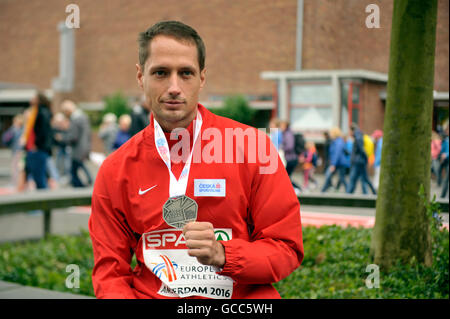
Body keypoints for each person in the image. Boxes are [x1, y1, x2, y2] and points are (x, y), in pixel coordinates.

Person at [89, 20, 303, 299]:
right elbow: (110, 273)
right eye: (161, 73)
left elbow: (286, 248)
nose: (174, 87)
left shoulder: (253, 148)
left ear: (202, 78)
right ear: (141, 77)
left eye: (186, 73)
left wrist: (223, 253)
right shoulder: (116, 169)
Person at [20, 92, 53, 189]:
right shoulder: (36, 111)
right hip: (34, 148)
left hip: (38, 148)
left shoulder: (42, 112)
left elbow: (42, 131)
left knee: (39, 176)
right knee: (37, 175)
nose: (31, 100)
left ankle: (44, 200)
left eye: (34, 98)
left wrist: (36, 145)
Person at [58, 100, 92, 188]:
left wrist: (62, 138)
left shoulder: (76, 119)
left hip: (78, 149)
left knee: (73, 171)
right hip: (83, 147)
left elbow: (74, 136)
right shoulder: (83, 117)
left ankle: (81, 186)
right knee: (78, 167)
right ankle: (87, 182)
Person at [346, 123, 376, 195]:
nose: (349, 133)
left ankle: (349, 194)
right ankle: (369, 192)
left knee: (353, 178)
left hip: (358, 161)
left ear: (352, 130)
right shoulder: (358, 136)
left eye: (349, 131)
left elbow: (361, 149)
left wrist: (366, 158)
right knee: (363, 178)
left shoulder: (358, 137)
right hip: (359, 161)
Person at [321, 127, 348, 193]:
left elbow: (337, 153)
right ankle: (326, 189)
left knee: (340, 177)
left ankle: (323, 190)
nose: (330, 134)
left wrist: (333, 164)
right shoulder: (336, 141)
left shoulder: (338, 141)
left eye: (331, 133)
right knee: (340, 177)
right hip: (338, 163)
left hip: (340, 163)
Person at [2, 114, 24, 188]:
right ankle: (16, 183)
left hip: (19, 152)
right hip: (17, 151)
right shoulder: (15, 130)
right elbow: (5, 139)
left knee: (17, 169)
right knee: (16, 168)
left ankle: (16, 184)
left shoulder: (18, 130)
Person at [281, 120, 302, 195]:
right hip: (290, 158)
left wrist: (281, 147)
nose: (281, 127)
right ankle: (295, 188)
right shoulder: (286, 133)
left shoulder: (288, 134)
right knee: (286, 177)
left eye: (282, 126)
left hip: (290, 159)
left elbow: (290, 146)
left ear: (286, 126)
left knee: (285, 177)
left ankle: (297, 188)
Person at [440, 123, 449, 198]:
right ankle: (442, 196)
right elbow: (442, 149)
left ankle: (443, 195)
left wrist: (446, 154)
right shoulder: (446, 140)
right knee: (445, 178)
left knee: (446, 179)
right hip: (446, 161)